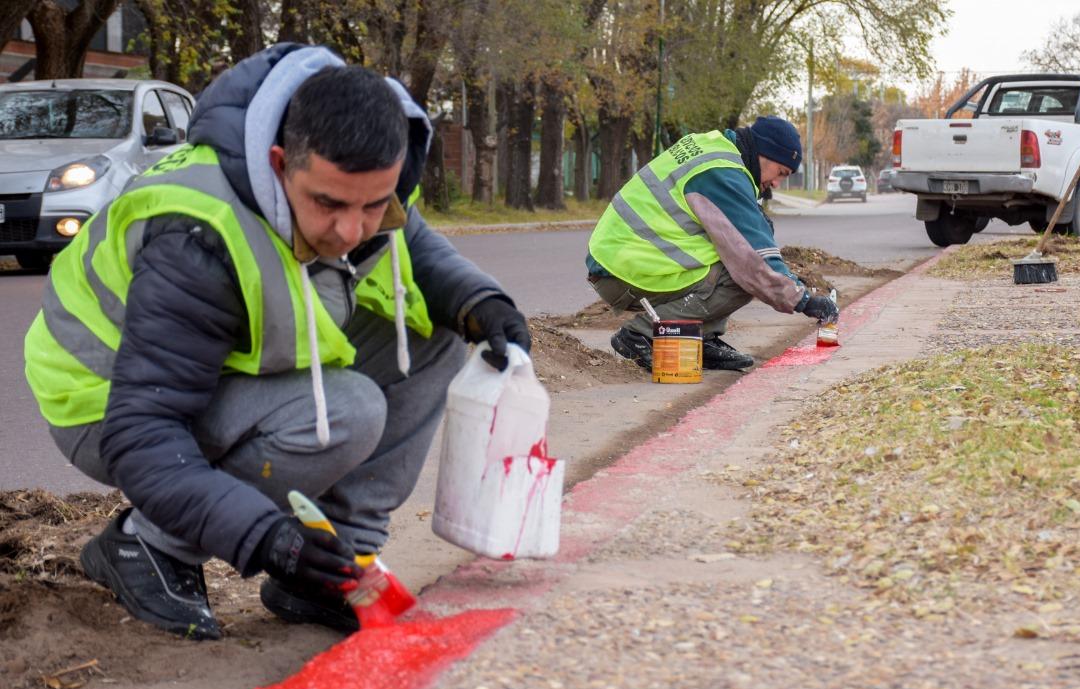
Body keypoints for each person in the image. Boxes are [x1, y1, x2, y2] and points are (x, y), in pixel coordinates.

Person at [22, 44, 531, 640]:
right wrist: (263, 535)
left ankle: (333, 562)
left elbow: (410, 247)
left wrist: (481, 302)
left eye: (374, 204)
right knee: (346, 411)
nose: (351, 231)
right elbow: (144, 432)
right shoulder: (198, 233)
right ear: (279, 161)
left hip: (210, 376)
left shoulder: (364, 171)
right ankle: (145, 546)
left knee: (434, 335)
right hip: (104, 405)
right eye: (330, 204)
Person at [586, 115, 838, 371]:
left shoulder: (712, 146)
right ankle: (642, 334)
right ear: (764, 153)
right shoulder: (725, 173)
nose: (776, 183)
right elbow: (755, 257)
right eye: (780, 173)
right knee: (743, 276)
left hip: (618, 259)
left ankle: (697, 338)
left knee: (730, 260)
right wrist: (803, 300)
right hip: (624, 270)